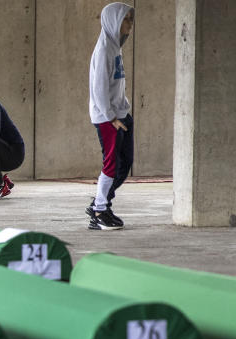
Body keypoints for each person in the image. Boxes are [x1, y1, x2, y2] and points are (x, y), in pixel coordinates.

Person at [87, 3, 134, 231]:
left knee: (125, 163)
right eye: (126, 19)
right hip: (109, 118)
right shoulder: (105, 49)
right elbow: (98, 88)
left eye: (131, 19)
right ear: (114, 21)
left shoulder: (116, 48)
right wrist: (110, 116)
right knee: (111, 164)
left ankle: (100, 203)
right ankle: (99, 212)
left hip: (121, 113)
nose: (130, 24)